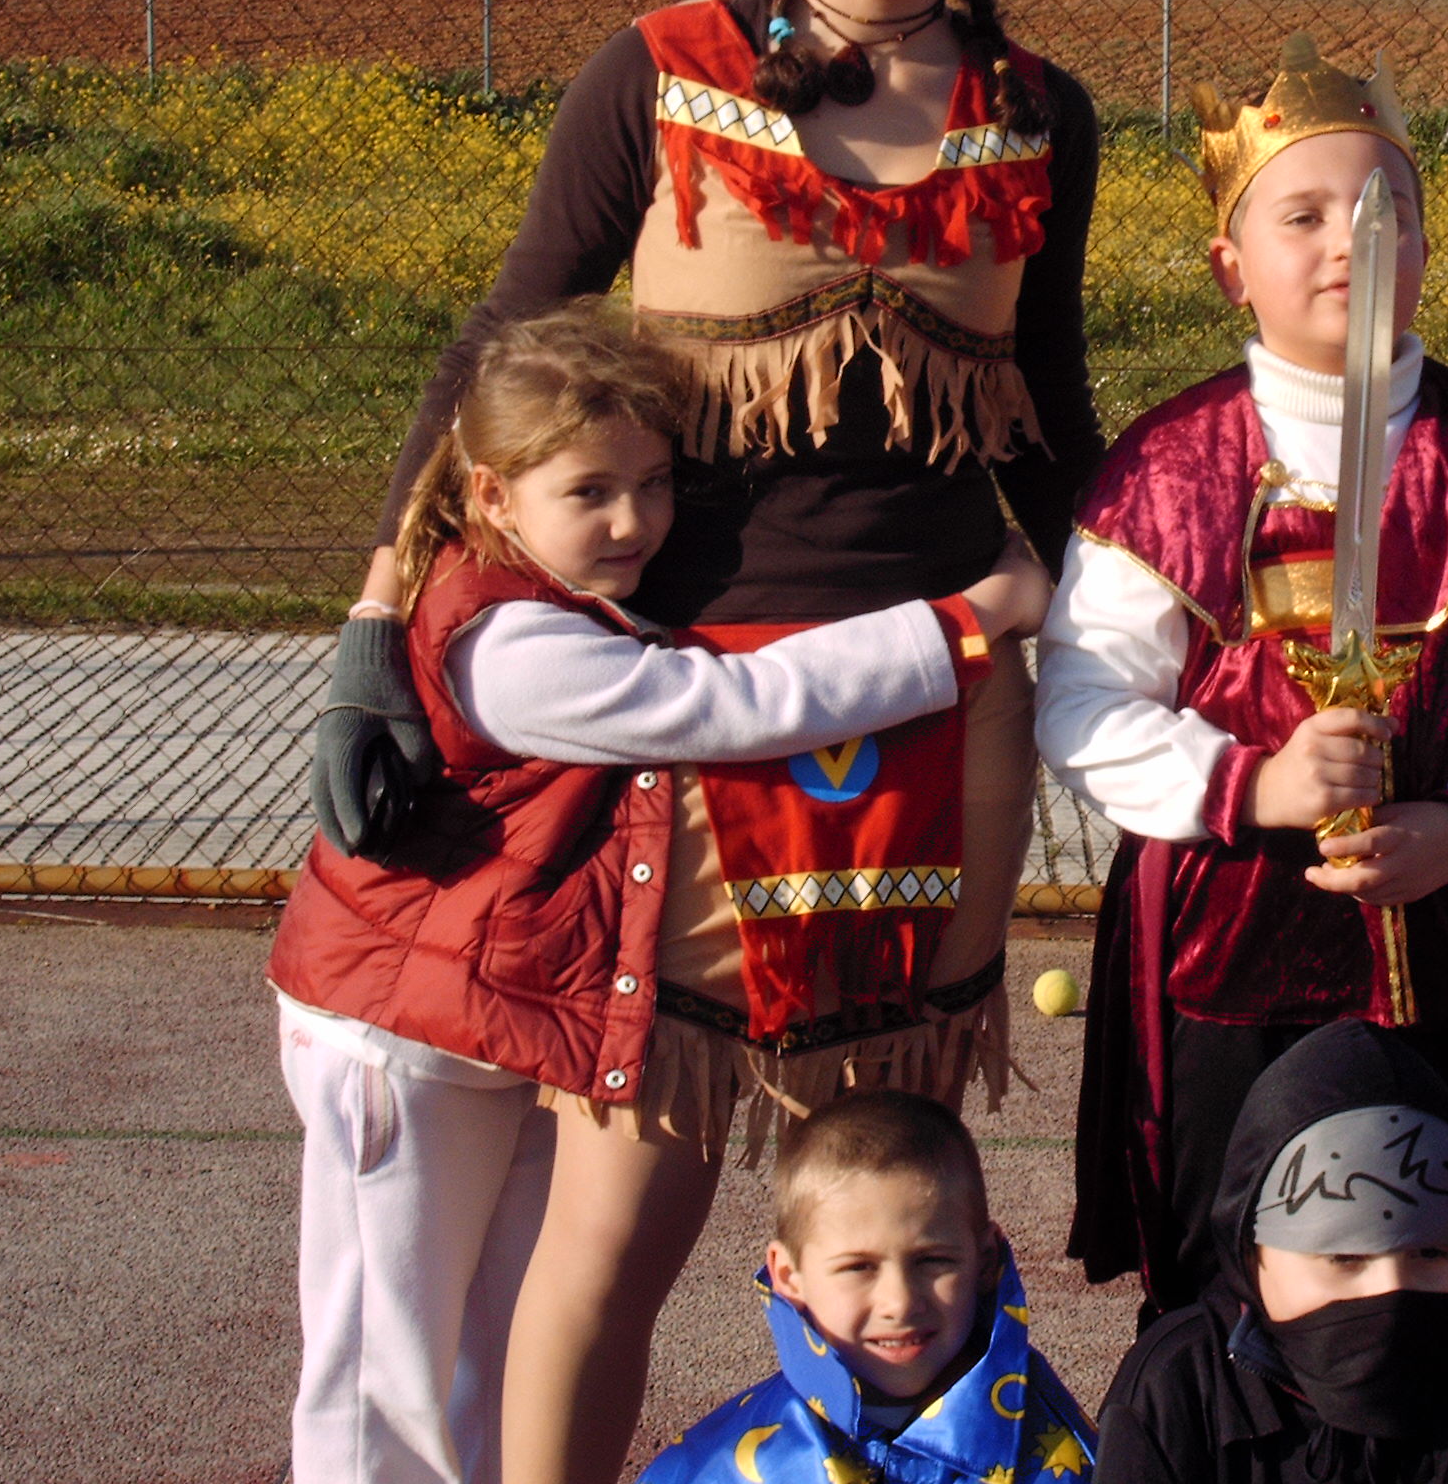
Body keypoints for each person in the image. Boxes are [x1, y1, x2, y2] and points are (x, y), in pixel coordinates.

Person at [267, 301, 1046, 1484]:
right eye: (590, 492)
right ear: (493, 495)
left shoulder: (558, 587)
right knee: (387, 1360)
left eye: (654, 483)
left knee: (486, 1338)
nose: (634, 521)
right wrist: (965, 624)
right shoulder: (507, 640)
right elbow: (725, 706)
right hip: (395, 1036)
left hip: (490, 1022)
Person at [1036, 34, 1448, 1312]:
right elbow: (1082, 704)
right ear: (1229, 266)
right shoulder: (1166, 474)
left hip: (1440, 933)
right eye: (1301, 215)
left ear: (1425, 249)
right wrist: (1251, 785)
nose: (1350, 243)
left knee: (1430, 1244)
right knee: (1226, 1264)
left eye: (1384, 212)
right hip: (1228, 946)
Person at [1096, 1017, 1448, 1484]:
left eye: (1430, 1254)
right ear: (1251, 1255)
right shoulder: (1177, 1393)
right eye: (1345, 1259)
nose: (1390, 1291)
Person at [638, 1091, 1097, 1484]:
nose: (899, 1302)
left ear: (985, 1259)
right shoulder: (723, 1465)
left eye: (932, 1261)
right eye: (858, 1267)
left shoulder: (1056, 1452)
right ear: (789, 1277)